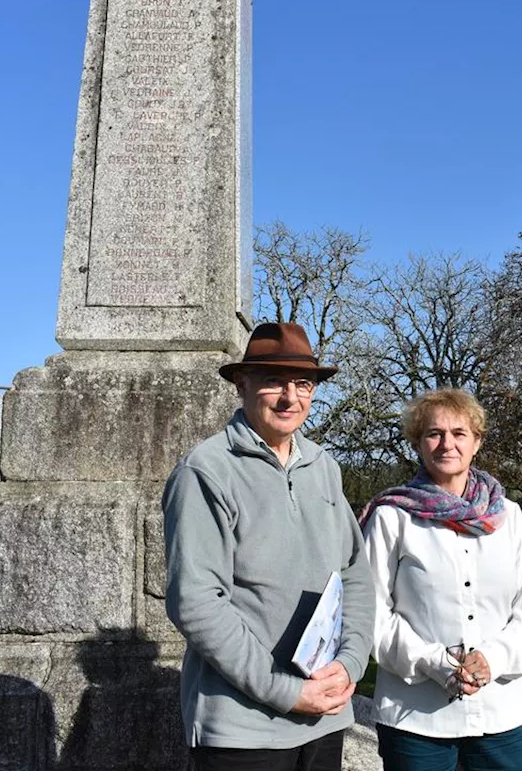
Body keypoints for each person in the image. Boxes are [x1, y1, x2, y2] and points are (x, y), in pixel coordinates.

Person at [161, 322, 374, 771]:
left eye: (302, 383)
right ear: (242, 384)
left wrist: (351, 663)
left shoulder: (324, 467)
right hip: (242, 730)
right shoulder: (206, 471)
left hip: (325, 720)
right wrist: (287, 691)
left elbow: (354, 573)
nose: (289, 397)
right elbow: (197, 603)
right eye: (273, 381)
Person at [360, 388, 522, 771]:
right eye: (434, 433)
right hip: (415, 715)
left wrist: (493, 658)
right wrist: (435, 663)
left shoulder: (508, 517)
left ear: (476, 442)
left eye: (459, 433)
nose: (447, 444)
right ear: (417, 443)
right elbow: (371, 609)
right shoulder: (391, 518)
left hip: (501, 711)